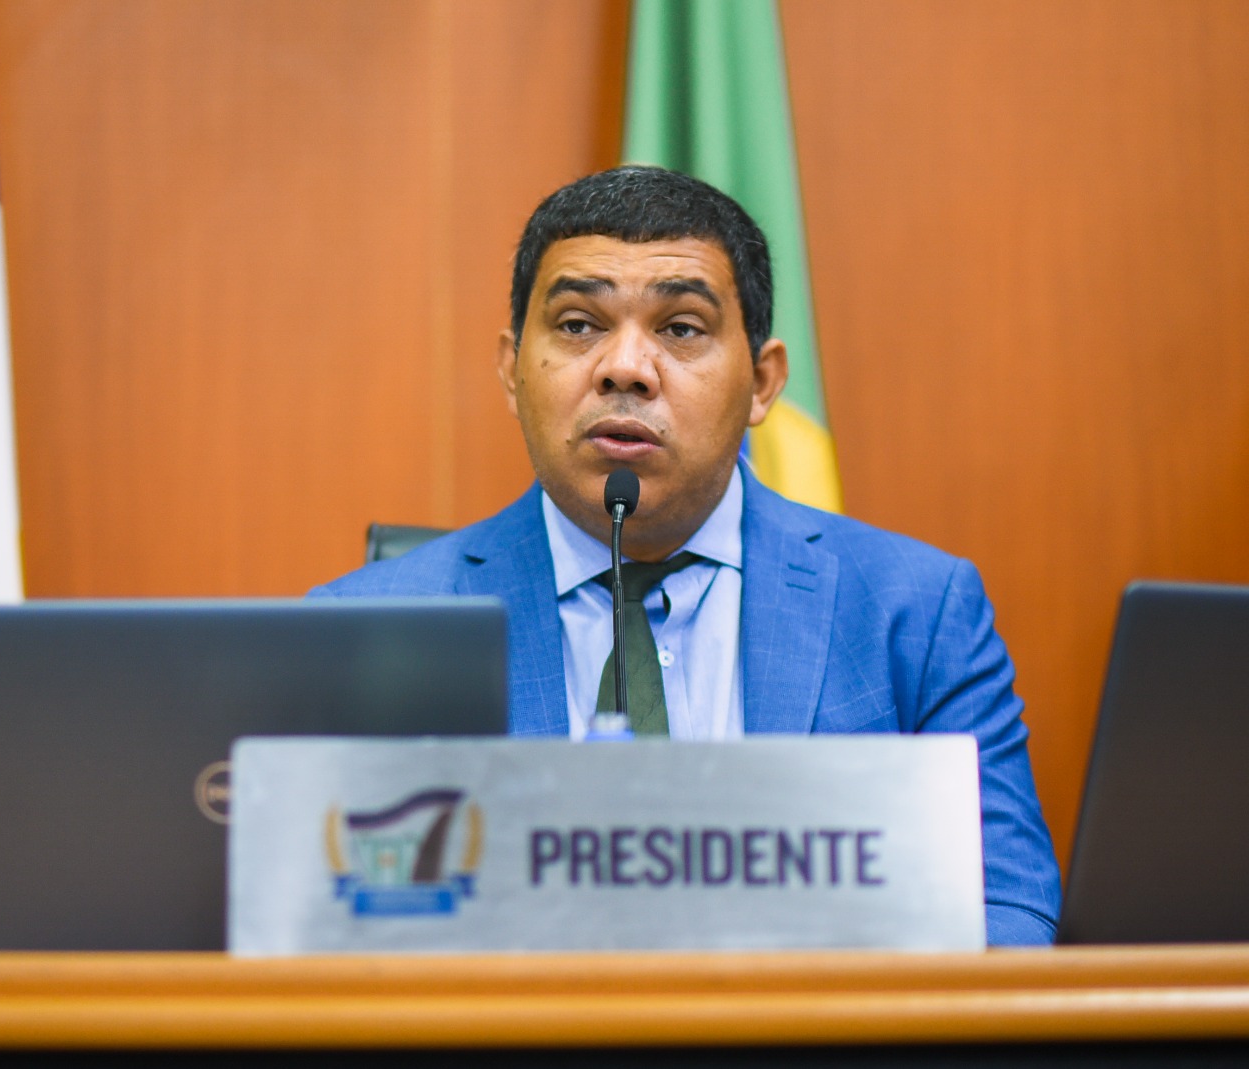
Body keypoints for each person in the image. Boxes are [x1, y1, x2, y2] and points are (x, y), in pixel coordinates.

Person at [311, 166, 1060, 946]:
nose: (625, 367)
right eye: (577, 324)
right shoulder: (360, 631)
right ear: (510, 368)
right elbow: (319, 930)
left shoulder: (917, 612)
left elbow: (1003, 913)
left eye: (681, 328)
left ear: (763, 382)